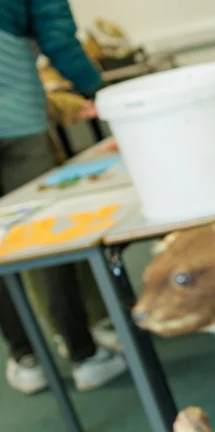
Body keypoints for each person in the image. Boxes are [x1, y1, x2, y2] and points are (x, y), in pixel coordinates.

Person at [0, 0, 128, 394]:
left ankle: (28, 358)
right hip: (17, 119)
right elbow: (57, 37)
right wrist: (99, 91)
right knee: (43, 235)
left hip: (20, 112)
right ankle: (83, 355)